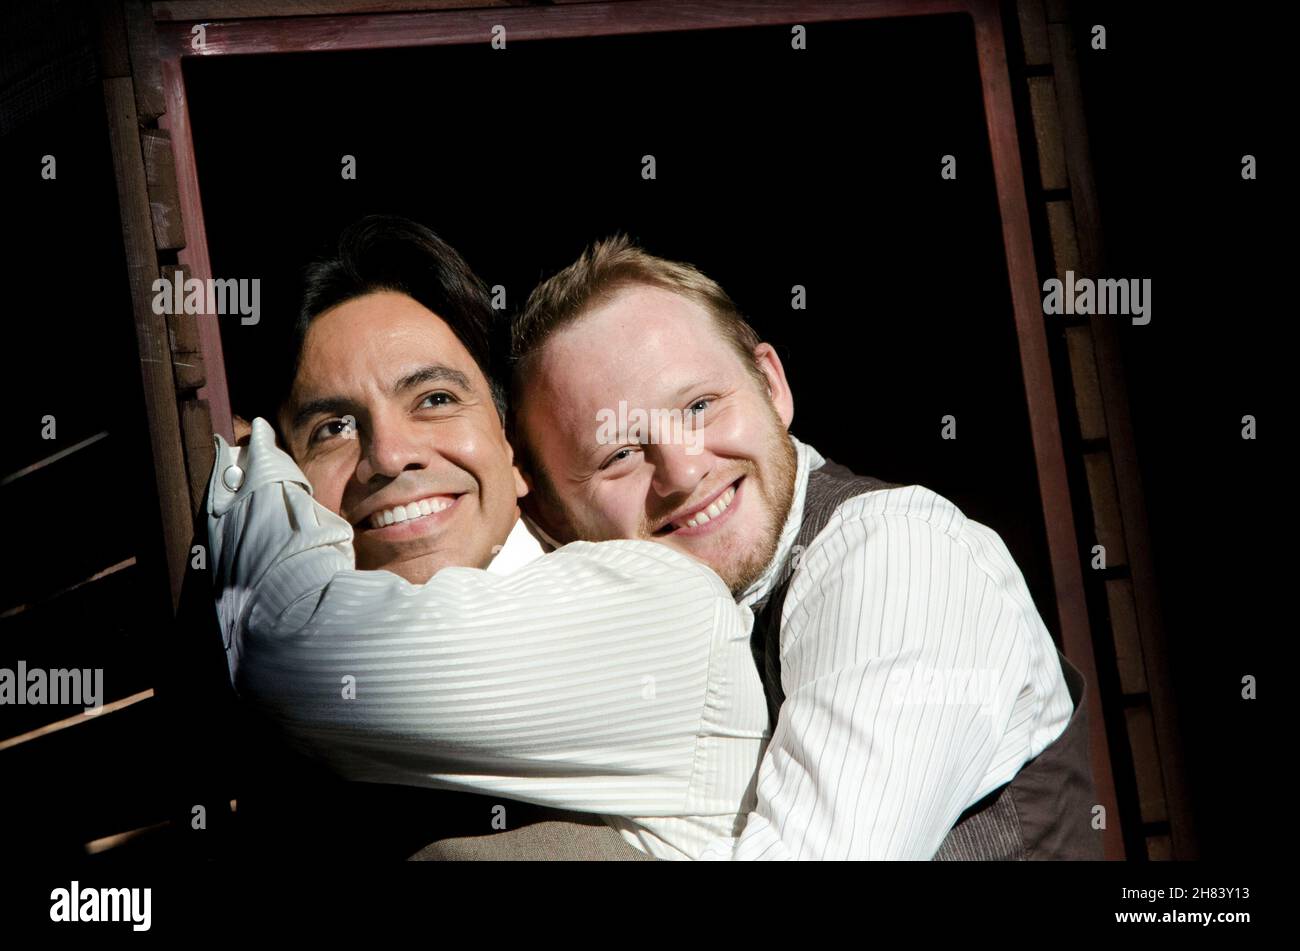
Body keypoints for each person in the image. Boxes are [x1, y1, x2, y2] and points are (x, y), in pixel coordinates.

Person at [507, 235, 1103, 859]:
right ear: (553, 520)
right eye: (620, 454)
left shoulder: (898, 552)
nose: (682, 471)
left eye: (700, 405)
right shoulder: (632, 615)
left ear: (771, 385)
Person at [208, 216, 768, 860]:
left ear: (514, 455)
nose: (389, 456)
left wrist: (246, 470)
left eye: (436, 399)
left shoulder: (663, 607)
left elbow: (280, 642)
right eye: (333, 428)